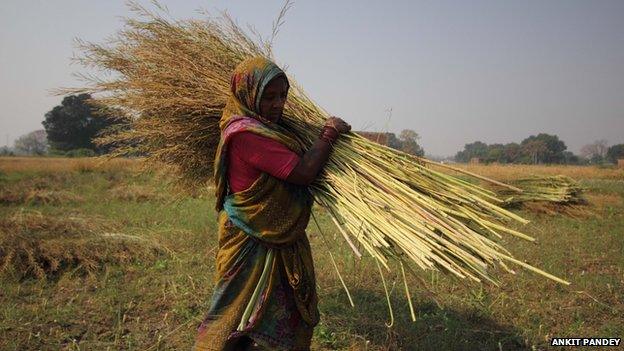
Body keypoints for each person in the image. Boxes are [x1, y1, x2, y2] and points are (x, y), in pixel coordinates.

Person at [194, 56, 350, 351]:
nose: (278, 104)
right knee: (232, 317)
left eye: (283, 96)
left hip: (272, 237)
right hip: (249, 238)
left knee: (270, 315)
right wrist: (328, 133)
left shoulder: (265, 127)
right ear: (248, 95)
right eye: (269, 97)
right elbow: (302, 173)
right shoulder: (246, 134)